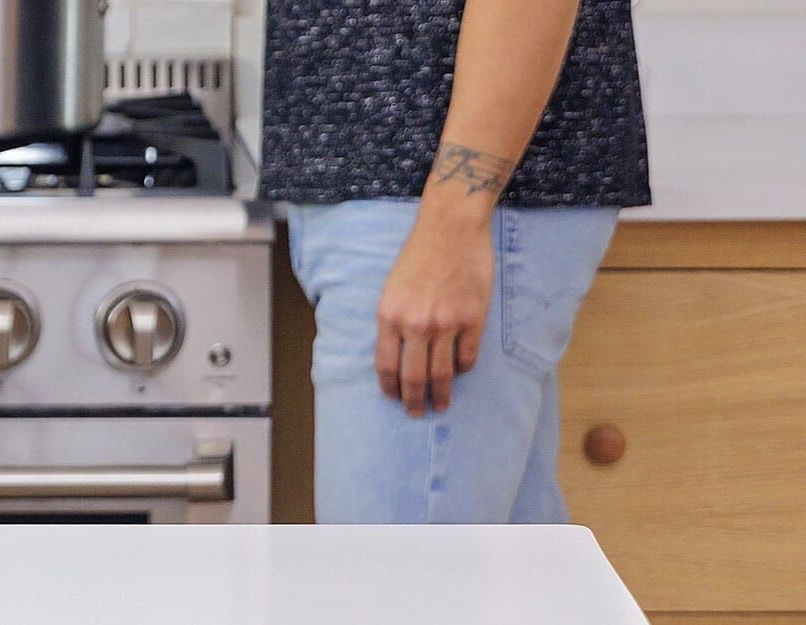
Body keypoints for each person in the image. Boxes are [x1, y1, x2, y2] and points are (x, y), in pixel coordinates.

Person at [261, 0, 650, 522]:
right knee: (490, 565)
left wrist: (454, 217)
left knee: (401, 571)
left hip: (428, 192)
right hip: (407, 189)